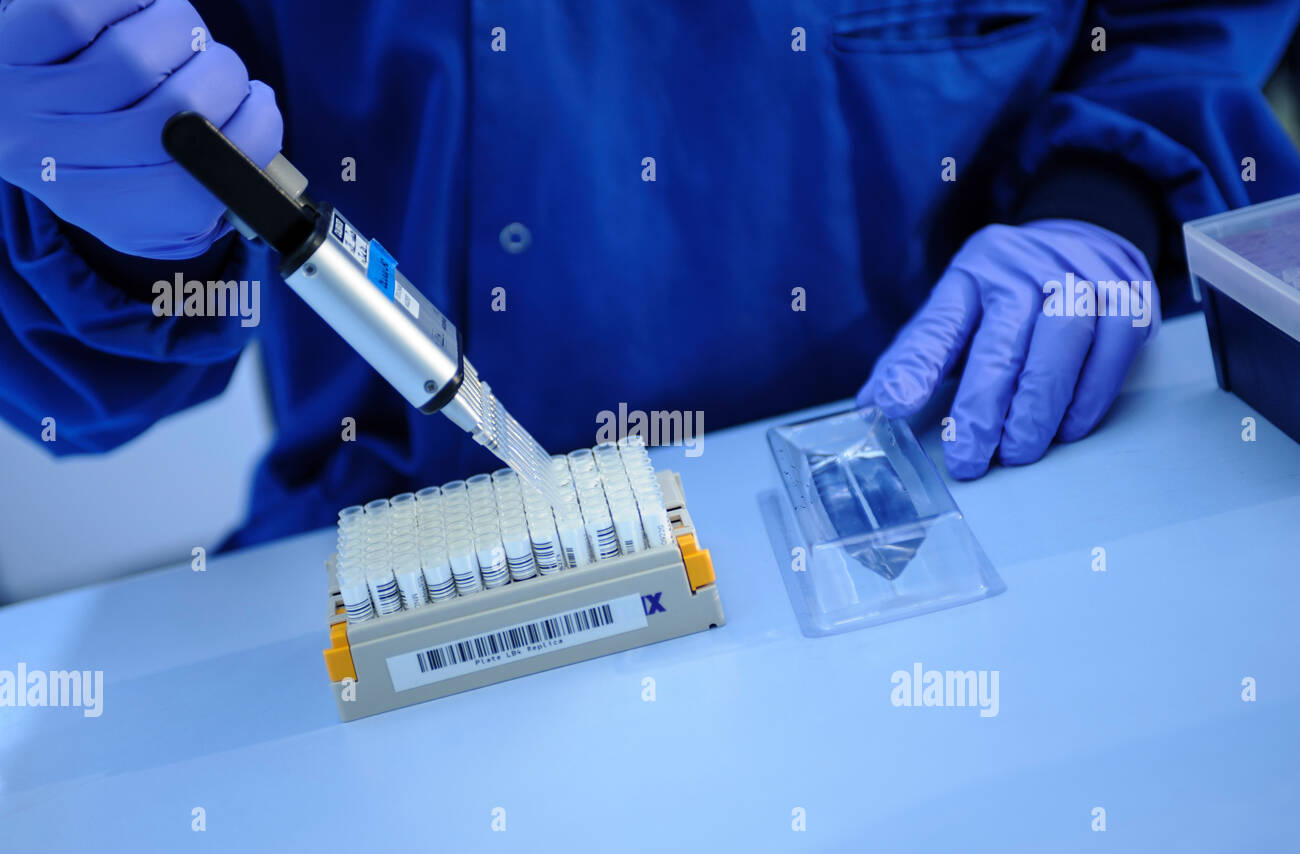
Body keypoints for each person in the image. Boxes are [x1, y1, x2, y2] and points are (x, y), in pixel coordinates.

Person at [1, 0, 1297, 549]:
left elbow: (1185, 27)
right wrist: (113, 212)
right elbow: (82, 386)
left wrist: (1107, 204)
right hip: (428, 565)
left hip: (1004, 459)